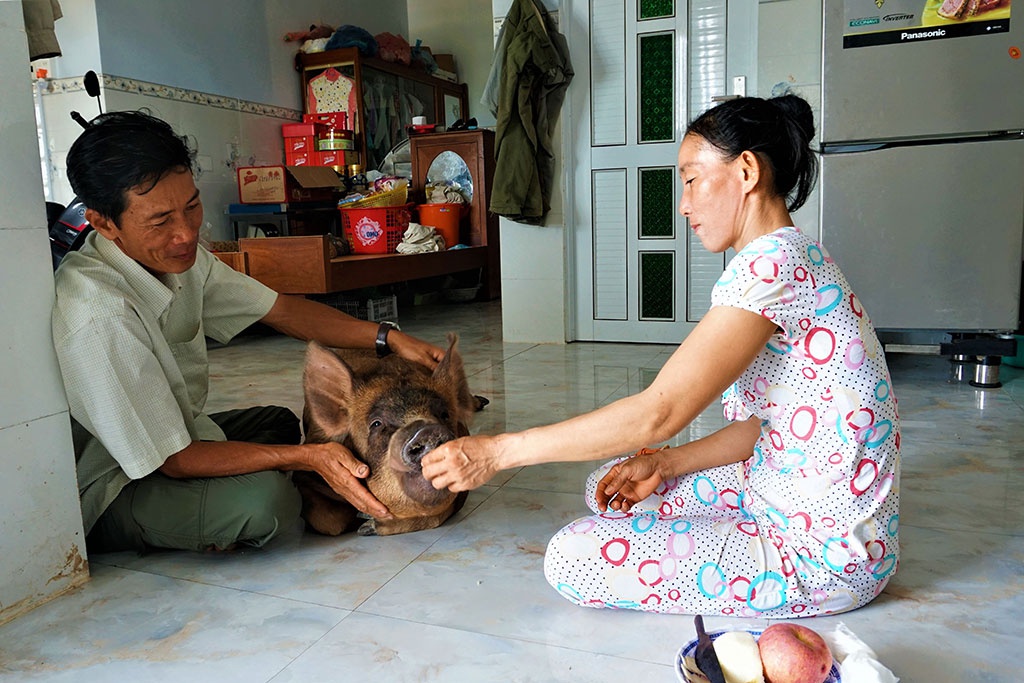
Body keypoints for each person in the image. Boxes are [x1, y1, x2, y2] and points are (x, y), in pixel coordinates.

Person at [423, 95, 900, 618]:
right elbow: (763, 427)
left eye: (692, 180)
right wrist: (666, 463)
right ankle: (722, 538)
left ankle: (750, 556)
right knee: (612, 488)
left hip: (824, 557)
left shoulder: (772, 266)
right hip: (776, 483)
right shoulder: (791, 253)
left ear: (746, 171)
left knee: (571, 559)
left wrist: (497, 452)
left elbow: (660, 413)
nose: (684, 205)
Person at [52, 110, 445, 554]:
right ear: (104, 222)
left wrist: (389, 338)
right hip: (119, 478)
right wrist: (306, 458)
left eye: (192, 206)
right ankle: (149, 523)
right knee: (269, 503)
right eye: (161, 221)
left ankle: (231, 491)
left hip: (180, 434)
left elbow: (280, 311)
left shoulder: (178, 259)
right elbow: (174, 461)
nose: (186, 233)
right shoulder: (98, 313)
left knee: (275, 422)